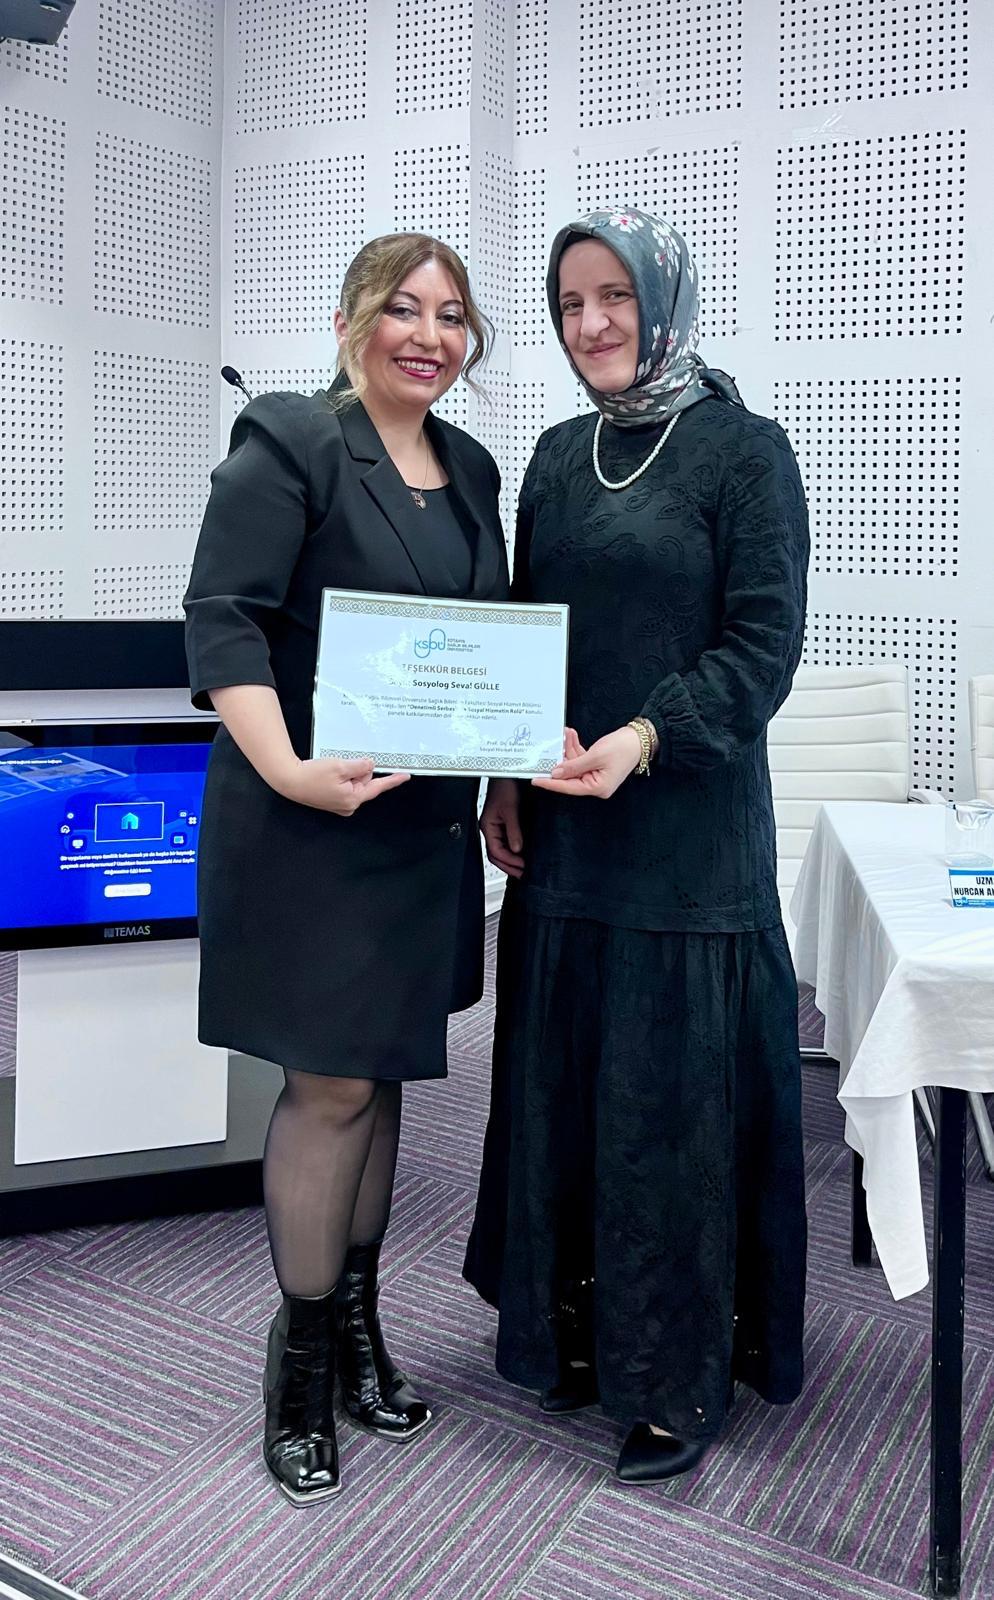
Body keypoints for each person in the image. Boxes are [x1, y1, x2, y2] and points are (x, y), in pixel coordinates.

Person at [464, 208, 809, 1484]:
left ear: (662, 301)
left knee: (668, 1106)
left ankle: (671, 1376)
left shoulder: (743, 451)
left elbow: (761, 647)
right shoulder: (557, 457)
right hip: (567, 832)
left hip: (687, 840)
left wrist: (646, 737)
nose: (592, 323)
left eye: (613, 296)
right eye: (569, 303)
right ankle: (570, 1332)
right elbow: (520, 636)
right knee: (568, 1084)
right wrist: (503, 773)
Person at [184, 234, 508, 1505]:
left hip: (418, 831)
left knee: (379, 1077)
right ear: (349, 321)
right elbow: (226, 620)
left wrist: (503, 776)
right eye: (402, 309)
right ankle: (301, 1363)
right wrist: (288, 769)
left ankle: (360, 1327)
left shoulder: (472, 468)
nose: (428, 335)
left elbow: (484, 647)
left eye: (451, 315)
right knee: (326, 1087)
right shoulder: (291, 440)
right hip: (307, 822)